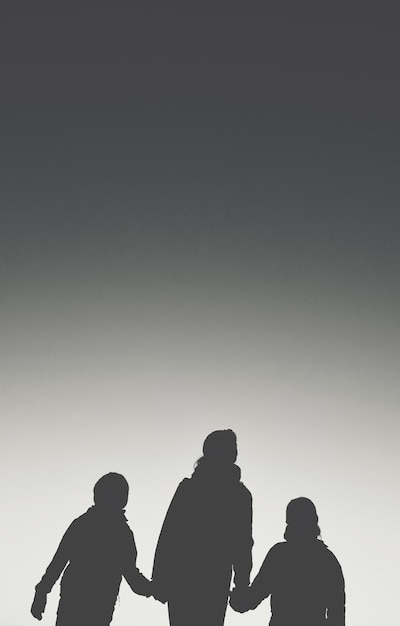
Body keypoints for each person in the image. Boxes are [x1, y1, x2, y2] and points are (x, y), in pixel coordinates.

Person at [152, 429, 253, 626]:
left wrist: (159, 579)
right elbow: (242, 544)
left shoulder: (192, 489)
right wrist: (241, 584)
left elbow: (169, 535)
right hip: (205, 580)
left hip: (193, 579)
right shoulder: (238, 495)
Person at [31, 472, 152, 625]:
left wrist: (42, 590)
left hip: (79, 600)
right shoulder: (122, 533)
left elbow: (58, 561)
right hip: (97, 603)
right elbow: (132, 576)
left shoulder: (83, 524)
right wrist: (153, 590)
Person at [230, 497, 345, 625]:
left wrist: (236, 596)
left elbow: (251, 598)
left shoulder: (279, 554)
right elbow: (337, 615)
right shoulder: (328, 561)